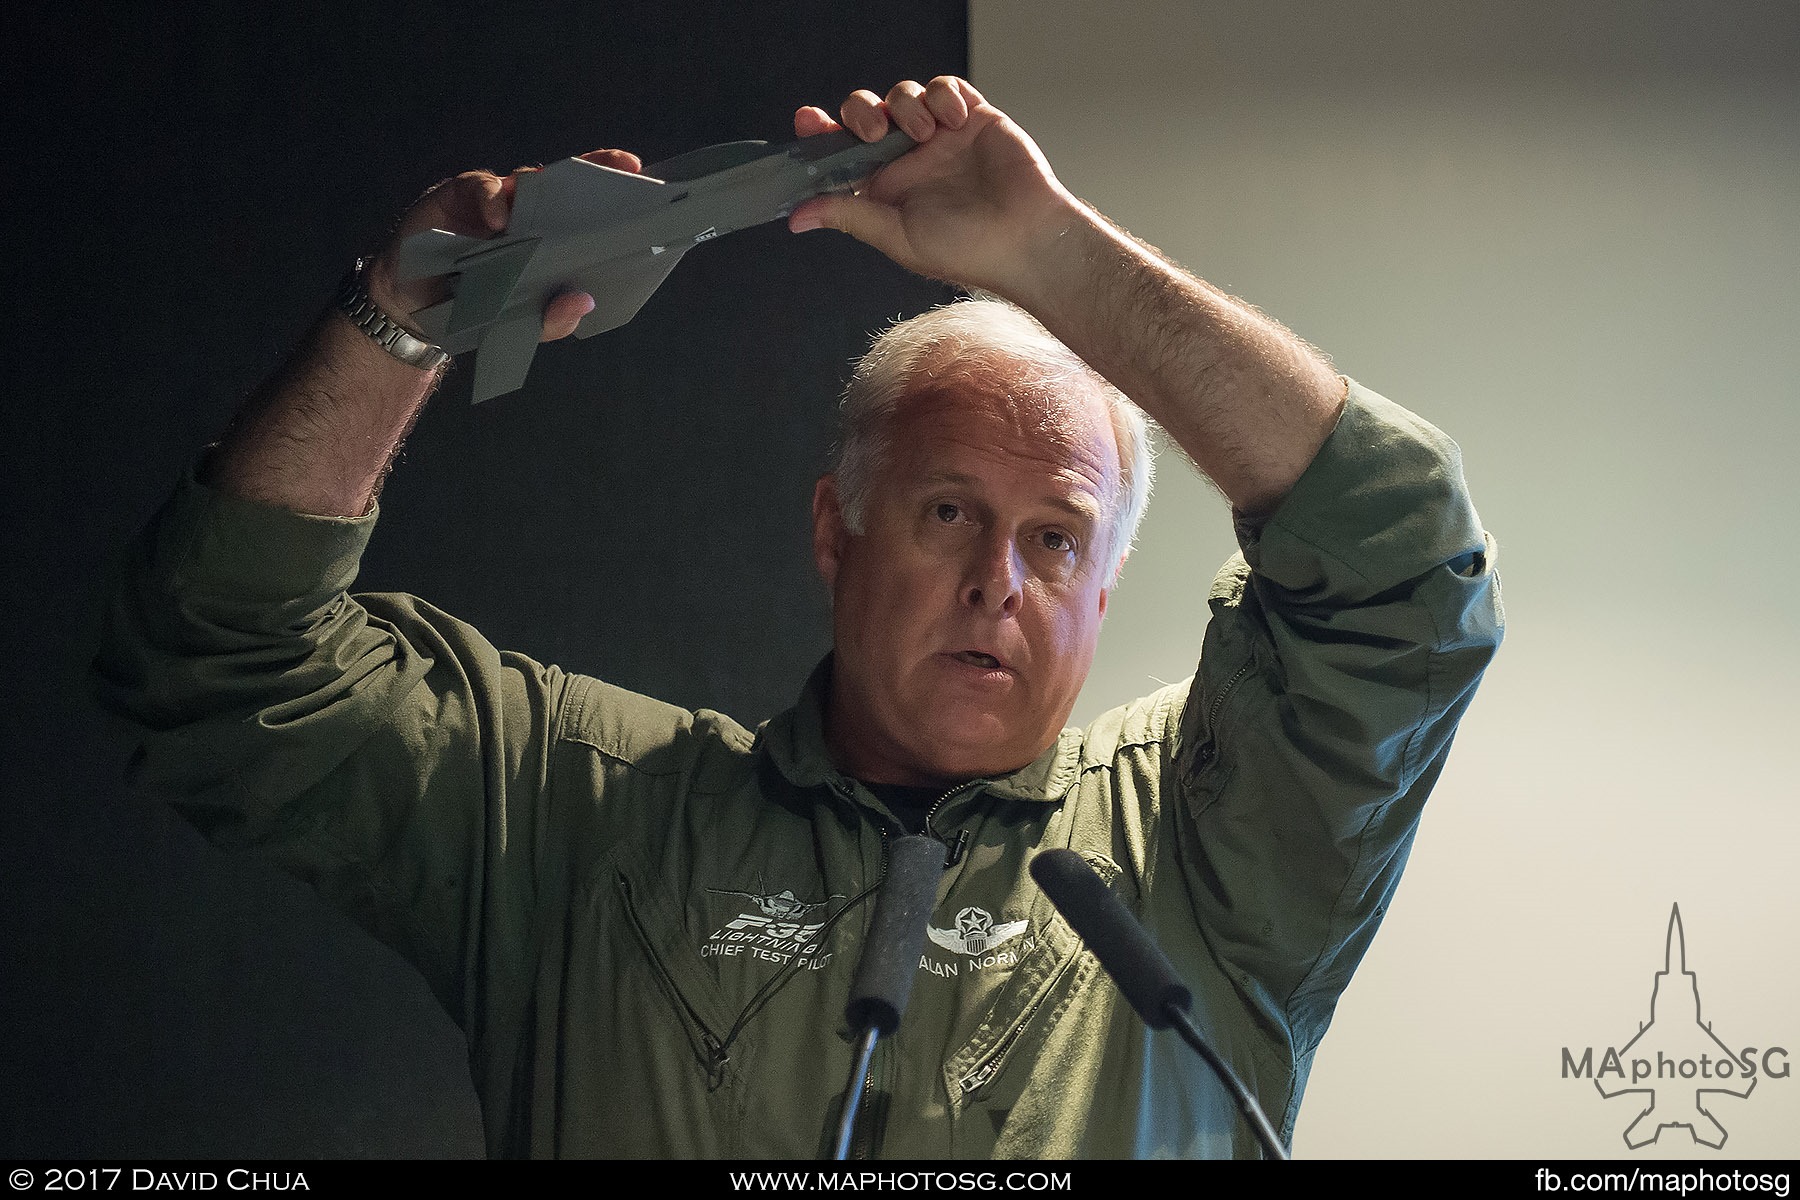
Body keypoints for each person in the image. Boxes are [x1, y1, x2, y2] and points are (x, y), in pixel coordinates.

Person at [94, 77, 1503, 1157]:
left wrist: (1050, 256)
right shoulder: (581, 815)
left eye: (1057, 539)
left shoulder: (1201, 855)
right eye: (950, 512)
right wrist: (403, 311)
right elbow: (220, 660)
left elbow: (1398, 568)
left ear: (1106, 583)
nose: (997, 584)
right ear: (836, 529)